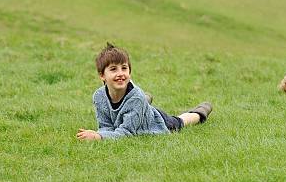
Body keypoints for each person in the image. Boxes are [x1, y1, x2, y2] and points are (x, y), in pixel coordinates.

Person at [77, 43, 212, 140]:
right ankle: (145, 101)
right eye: (113, 69)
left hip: (156, 121)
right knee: (137, 102)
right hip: (136, 105)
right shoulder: (99, 96)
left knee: (179, 122)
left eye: (124, 68)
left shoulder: (136, 98)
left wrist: (99, 137)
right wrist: (101, 133)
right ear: (102, 75)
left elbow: (126, 133)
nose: (120, 73)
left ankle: (200, 112)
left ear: (129, 71)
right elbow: (106, 126)